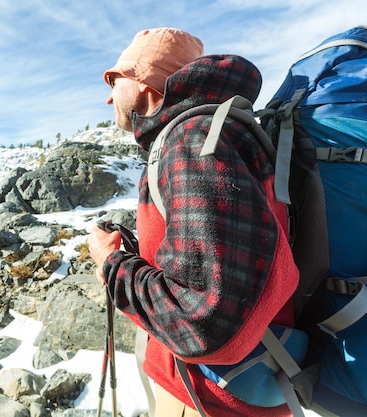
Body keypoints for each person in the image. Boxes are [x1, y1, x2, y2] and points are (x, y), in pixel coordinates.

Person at [88, 28, 299, 417]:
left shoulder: (192, 139)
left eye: (113, 79)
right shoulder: (205, 134)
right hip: (238, 389)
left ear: (144, 78)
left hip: (205, 400)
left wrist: (111, 264)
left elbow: (202, 316)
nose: (107, 95)